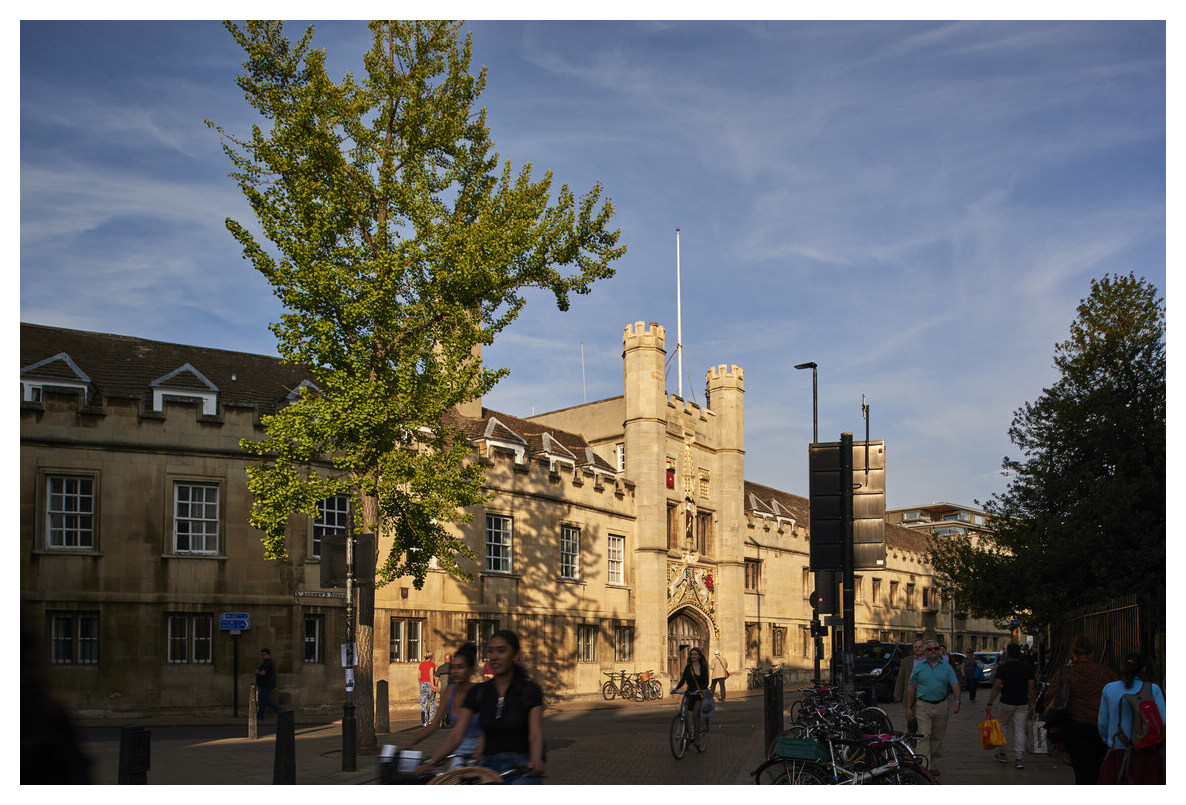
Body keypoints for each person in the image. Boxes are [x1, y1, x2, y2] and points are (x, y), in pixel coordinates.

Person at [419, 630, 546, 784]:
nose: (494, 656)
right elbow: (456, 734)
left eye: (501, 651)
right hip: (487, 768)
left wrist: (536, 759)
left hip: (521, 767)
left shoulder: (530, 690)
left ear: (515, 655)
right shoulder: (479, 692)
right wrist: (431, 762)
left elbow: (535, 734)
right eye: (491, 651)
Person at [1037, 633, 1116, 785]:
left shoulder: (1064, 672)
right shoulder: (1104, 672)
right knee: (1098, 768)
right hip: (1101, 727)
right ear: (1092, 652)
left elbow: (1049, 699)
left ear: (1073, 652)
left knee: (1081, 772)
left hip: (1074, 728)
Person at [402, 644, 484, 761]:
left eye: (460, 667)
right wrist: (406, 746)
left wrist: (481, 747)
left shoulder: (479, 691)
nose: (455, 671)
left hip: (480, 752)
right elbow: (433, 726)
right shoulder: (450, 691)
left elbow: (490, 727)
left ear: (471, 670)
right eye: (453, 667)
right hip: (459, 750)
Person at [1096, 653, 1165, 784]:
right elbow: (1163, 721)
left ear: (1122, 667)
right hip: (1146, 753)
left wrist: (1109, 741)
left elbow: (1102, 724)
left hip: (1118, 751)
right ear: (1144, 669)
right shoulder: (1153, 689)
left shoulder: (1109, 689)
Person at [905, 639, 961, 778]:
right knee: (924, 735)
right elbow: (911, 687)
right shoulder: (918, 667)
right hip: (923, 705)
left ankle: (934, 766)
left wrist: (957, 700)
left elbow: (955, 684)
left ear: (939, 650)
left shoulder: (946, 667)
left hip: (941, 705)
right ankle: (924, 767)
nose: (933, 651)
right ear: (926, 651)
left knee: (937, 738)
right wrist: (908, 707)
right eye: (930, 649)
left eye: (935, 648)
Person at [985, 642, 1035, 769]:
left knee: (1004, 726)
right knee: (1020, 730)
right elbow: (1031, 687)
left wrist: (990, 702)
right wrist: (1033, 702)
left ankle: (1003, 753)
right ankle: (1019, 758)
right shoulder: (1027, 668)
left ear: (1008, 653)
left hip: (1006, 701)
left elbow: (997, 686)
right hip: (1022, 702)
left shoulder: (1003, 667)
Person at [672, 646, 711, 749]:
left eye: (695, 654)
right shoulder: (688, 668)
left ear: (699, 656)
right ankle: (687, 735)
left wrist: (702, 689)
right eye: (692, 654)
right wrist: (676, 688)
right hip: (690, 693)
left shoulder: (703, 667)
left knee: (694, 714)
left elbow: (706, 681)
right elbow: (683, 680)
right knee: (683, 713)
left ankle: (697, 737)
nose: (693, 656)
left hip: (699, 695)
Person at [894, 638, 926, 732]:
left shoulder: (930, 660)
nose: (918, 649)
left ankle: (922, 737)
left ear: (924, 648)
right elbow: (901, 679)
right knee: (911, 718)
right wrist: (897, 694)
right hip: (911, 694)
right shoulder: (906, 661)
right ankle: (912, 736)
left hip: (925, 693)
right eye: (915, 647)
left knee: (924, 718)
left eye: (920, 647)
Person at [255, 648, 283, 720]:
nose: (263, 656)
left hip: (266, 685)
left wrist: (257, 672)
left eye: (264, 654)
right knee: (262, 701)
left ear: (268, 655)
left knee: (264, 700)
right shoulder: (267, 662)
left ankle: (279, 709)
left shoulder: (267, 662)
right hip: (265, 685)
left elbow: (263, 673)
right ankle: (260, 716)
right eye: (262, 655)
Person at [418, 651, 439, 727]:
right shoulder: (431, 664)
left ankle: (424, 721)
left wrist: (420, 684)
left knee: (423, 704)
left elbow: (419, 676)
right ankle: (431, 720)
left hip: (422, 684)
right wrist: (433, 685)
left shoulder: (421, 665)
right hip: (429, 684)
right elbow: (431, 674)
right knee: (432, 702)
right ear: (431, 657)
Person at [436, 652, 454, 727]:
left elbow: (436, 679)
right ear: (451, 659)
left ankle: (442, 720)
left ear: (445, 659)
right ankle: (450, 721)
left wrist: (435, 686)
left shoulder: (440, 668)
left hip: (443, 690)